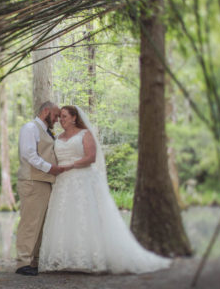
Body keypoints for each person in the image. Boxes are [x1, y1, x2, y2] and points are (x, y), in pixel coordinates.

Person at [39, 105, 172, 274]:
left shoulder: (84, 134)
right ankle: (66, 257)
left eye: (65, 116)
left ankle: (90, 258)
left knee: (85, 217)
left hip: (82, 179)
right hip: (63, 182)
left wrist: (71, 165)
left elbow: (91, 157)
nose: (61, 119)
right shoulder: (57, 138)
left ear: (74, 117)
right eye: (61, 117)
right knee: (65, 217)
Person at [15, 101, 65, 276]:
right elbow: (28, 154)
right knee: (30, 222)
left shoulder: (45, 131)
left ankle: (33, 260)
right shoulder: (30, 128)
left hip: (43, 182)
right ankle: (23, 262)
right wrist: (50, 168)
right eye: (56, 115)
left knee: (40, 223)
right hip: (32, 181)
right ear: (46, 111)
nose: (58, 119)